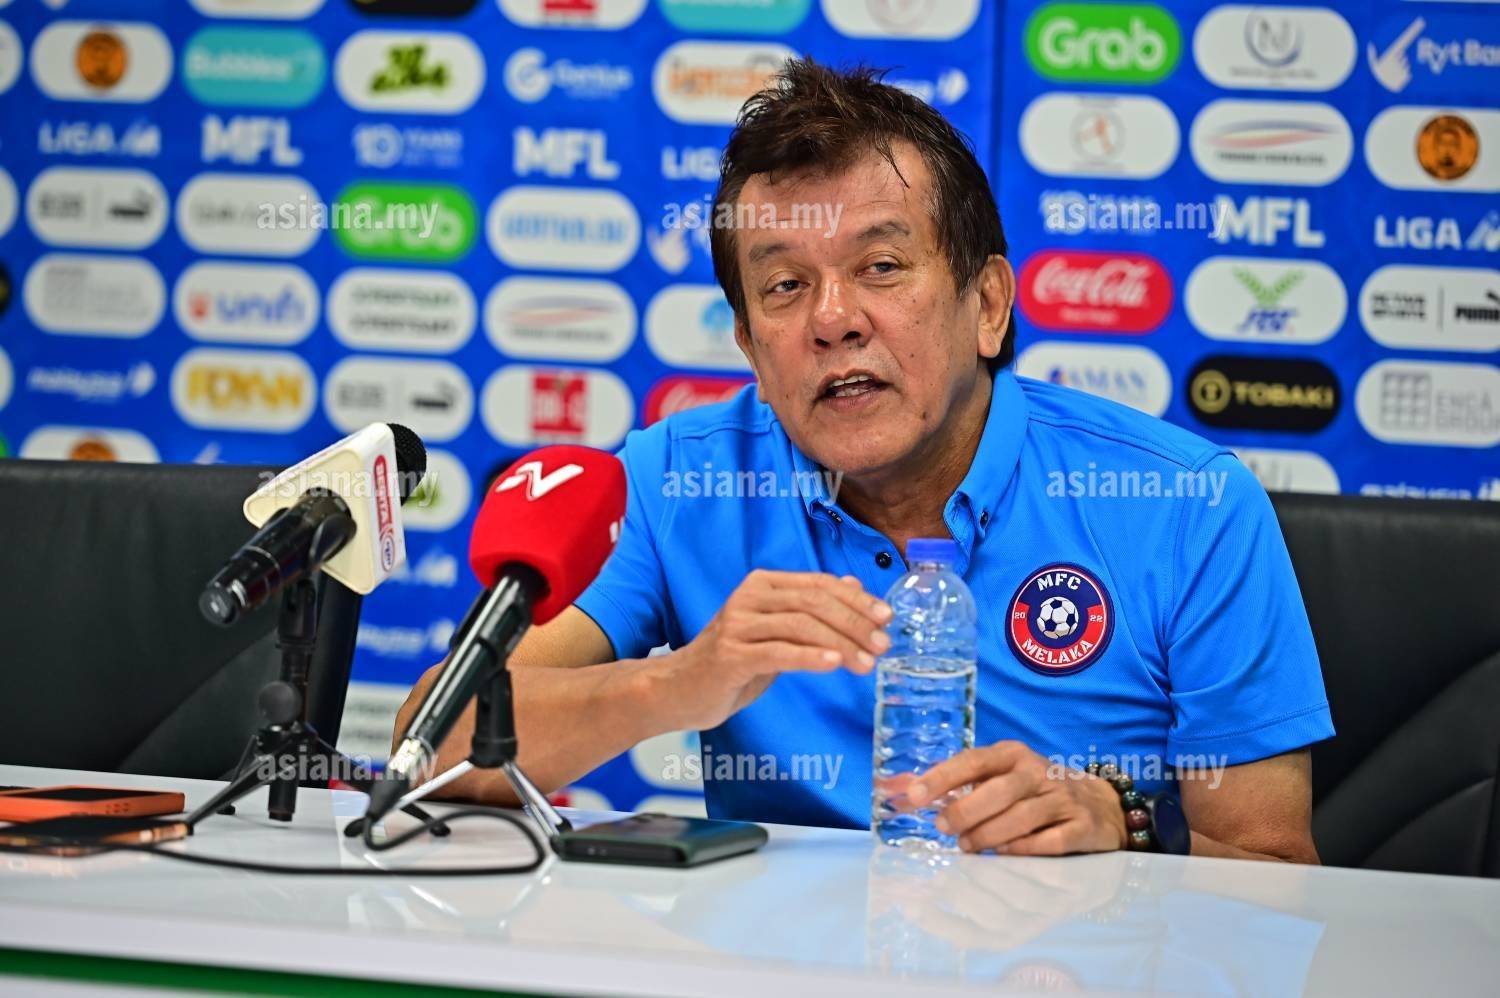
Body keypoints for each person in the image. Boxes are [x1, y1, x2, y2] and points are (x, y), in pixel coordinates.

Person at [394, 58, 1333, 861]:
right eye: (784, 286)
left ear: (988, 306)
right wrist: (677, 682)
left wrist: (1119, 834)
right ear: (751, 348)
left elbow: (1273, 872)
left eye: (881, 267)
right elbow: (428, 747)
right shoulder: (680, 478)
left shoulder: (1187, 506)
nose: (833, 319)